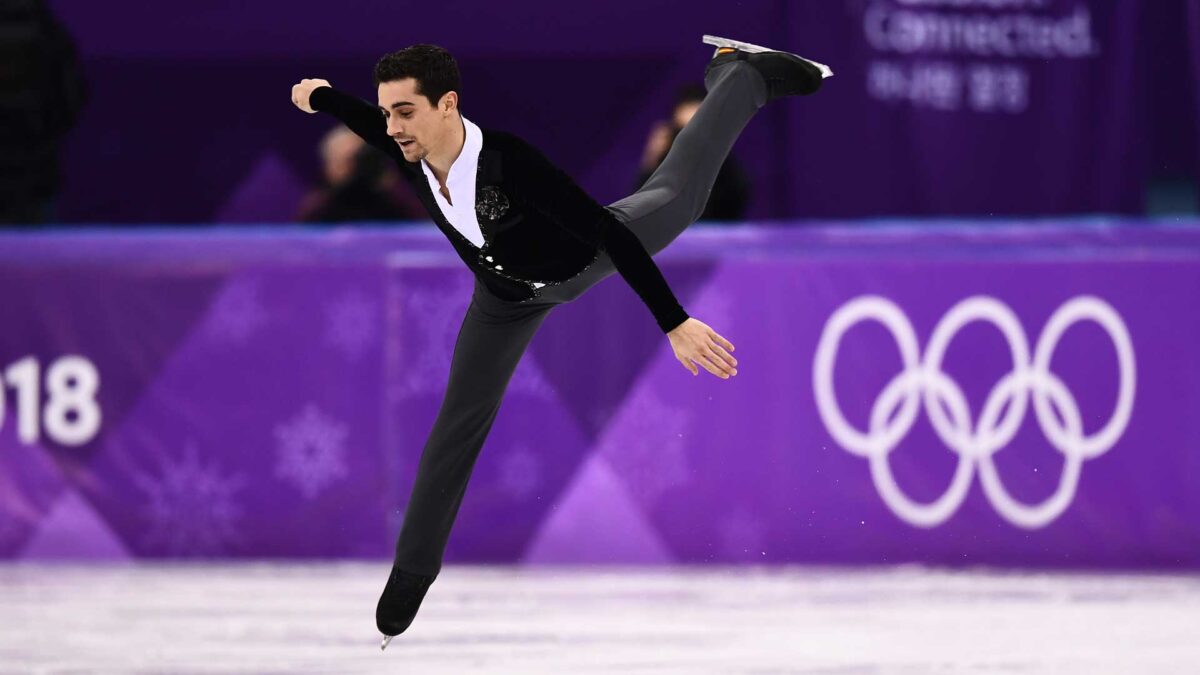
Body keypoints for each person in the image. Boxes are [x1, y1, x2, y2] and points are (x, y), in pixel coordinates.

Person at [290, 35, 829, 649]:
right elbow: (364, 121)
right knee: (455, 426)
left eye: (405, 112)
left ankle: (741, 74)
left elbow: (606, 231)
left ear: (448, 105)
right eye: (387, 113)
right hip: (502, 301)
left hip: (589, 257)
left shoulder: (509, 164)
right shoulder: (406, 144)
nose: (392, 127)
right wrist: (324, 97)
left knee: (679, 195)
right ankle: (413, 572)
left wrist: (673, 321)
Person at [637, 84, 751, 221]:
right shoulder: (663, 164)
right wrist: (651, 158)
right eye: (683, 131)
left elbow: (735, 203)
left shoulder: (724, 169)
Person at [297, 124, 424, 223]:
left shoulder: (397, 205)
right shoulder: (319, 211)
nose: (356, 170)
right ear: (329, 168)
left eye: (362, 161)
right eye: (348, 162)